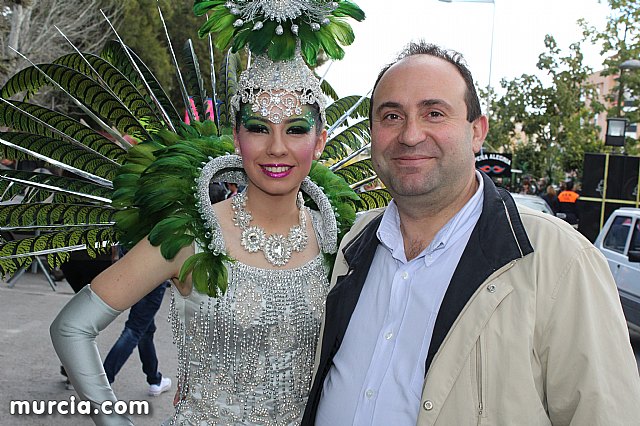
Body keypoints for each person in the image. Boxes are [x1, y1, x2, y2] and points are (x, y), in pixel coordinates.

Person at [48, 1, 365, 424]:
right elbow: (72, 328)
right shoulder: (191, 235)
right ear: (236, 137)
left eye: (295, 129)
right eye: (258, 128)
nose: (276, 148)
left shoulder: (340, 241)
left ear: (320, 141)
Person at [302, 41, 640, 425]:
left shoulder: (560, 262)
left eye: (434, 113)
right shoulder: (357, 241)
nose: (411, 135)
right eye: (392, 116)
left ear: (477, 132)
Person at [102, 279, 171, 397]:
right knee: (134, 330)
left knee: (145, 330)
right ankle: (103, 382)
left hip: (139, 275)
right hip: (155, 276)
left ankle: (154, 379)